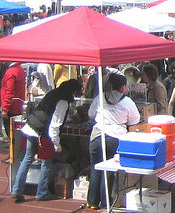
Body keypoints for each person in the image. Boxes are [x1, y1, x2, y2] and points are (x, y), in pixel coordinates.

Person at [11, 79, 83, 203]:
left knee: (27, 158)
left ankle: (16, 189)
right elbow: (55, 124)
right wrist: (57, 144)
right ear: (73, 91)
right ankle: (42, 192)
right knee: (46, 163)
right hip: (43, 132)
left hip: (31, 125)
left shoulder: (53, 93)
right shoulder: (63, 101)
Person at [87, 74, 140, 210]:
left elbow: (91, 114)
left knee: (95, 167)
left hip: (97, 135)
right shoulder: (127, 101)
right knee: (109, 170)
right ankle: (106, 202)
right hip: (114, 138)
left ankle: (92, 202)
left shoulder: (100, 97)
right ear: (123, 87)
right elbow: (135, 120)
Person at [1, 61, 26, 137]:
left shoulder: (11, 72)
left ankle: (14, 148)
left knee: (11, 133)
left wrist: (5, 109)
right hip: (17, 105)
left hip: (11, 108)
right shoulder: (19, 69)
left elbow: (9, 91)